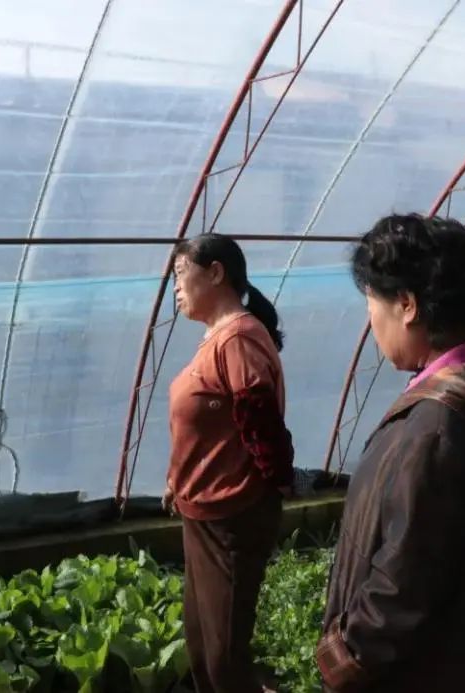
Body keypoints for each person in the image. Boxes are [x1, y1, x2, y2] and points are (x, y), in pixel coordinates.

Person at [316, 214, 465, 692]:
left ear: (407, 305)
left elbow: (404, 581)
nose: (371, 323)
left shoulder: (438, 426)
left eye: (372, 304)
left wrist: (345, 659)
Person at [165, 233, 294, 693]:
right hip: (204, 512)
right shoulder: (217, 337)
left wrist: (274, 482)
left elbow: (258, 415)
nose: (175, 288)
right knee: (203, 645)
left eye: (181, 274)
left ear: (216, 273)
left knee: (224, 657)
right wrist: (177, 479)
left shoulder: (238, 337)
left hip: (232, 515)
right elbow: (209, 423)